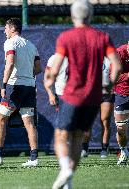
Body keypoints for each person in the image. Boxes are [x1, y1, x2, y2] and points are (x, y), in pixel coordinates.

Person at [44, 0, 122, 188]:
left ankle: (66, 169)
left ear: (72, 16)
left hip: (72, 95)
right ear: (91, 15)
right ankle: (68, 181)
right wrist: (110, 84)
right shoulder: (102, 37)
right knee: (78, 137)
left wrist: (50, 79)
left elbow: (54, 69)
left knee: (61, 137)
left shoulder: (66, 37)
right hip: (95, 97)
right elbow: (117, 65)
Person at [0, 18, 42, 167]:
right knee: (29, 123)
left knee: (0, 118)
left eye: (5, 28)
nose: (4, 31)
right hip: (29, 86)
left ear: (12, 28)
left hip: (14, 86)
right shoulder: (31, 45)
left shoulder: (10, 42)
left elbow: (9, 63)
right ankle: (34, 159)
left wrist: (3, 85)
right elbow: (38, 69)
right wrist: (27, 75)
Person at [81, 57, 115, 158]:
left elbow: (116, 74)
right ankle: (84, 149)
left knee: (105, 121)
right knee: (87, 122)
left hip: (106, 94)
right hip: (91, 94)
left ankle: (104, 149)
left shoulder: (110, 59)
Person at [114, 41, 129, 165]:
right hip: (122, 94)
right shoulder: (119, 53)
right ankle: (123, 151)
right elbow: (113, 77)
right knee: (121, 129)